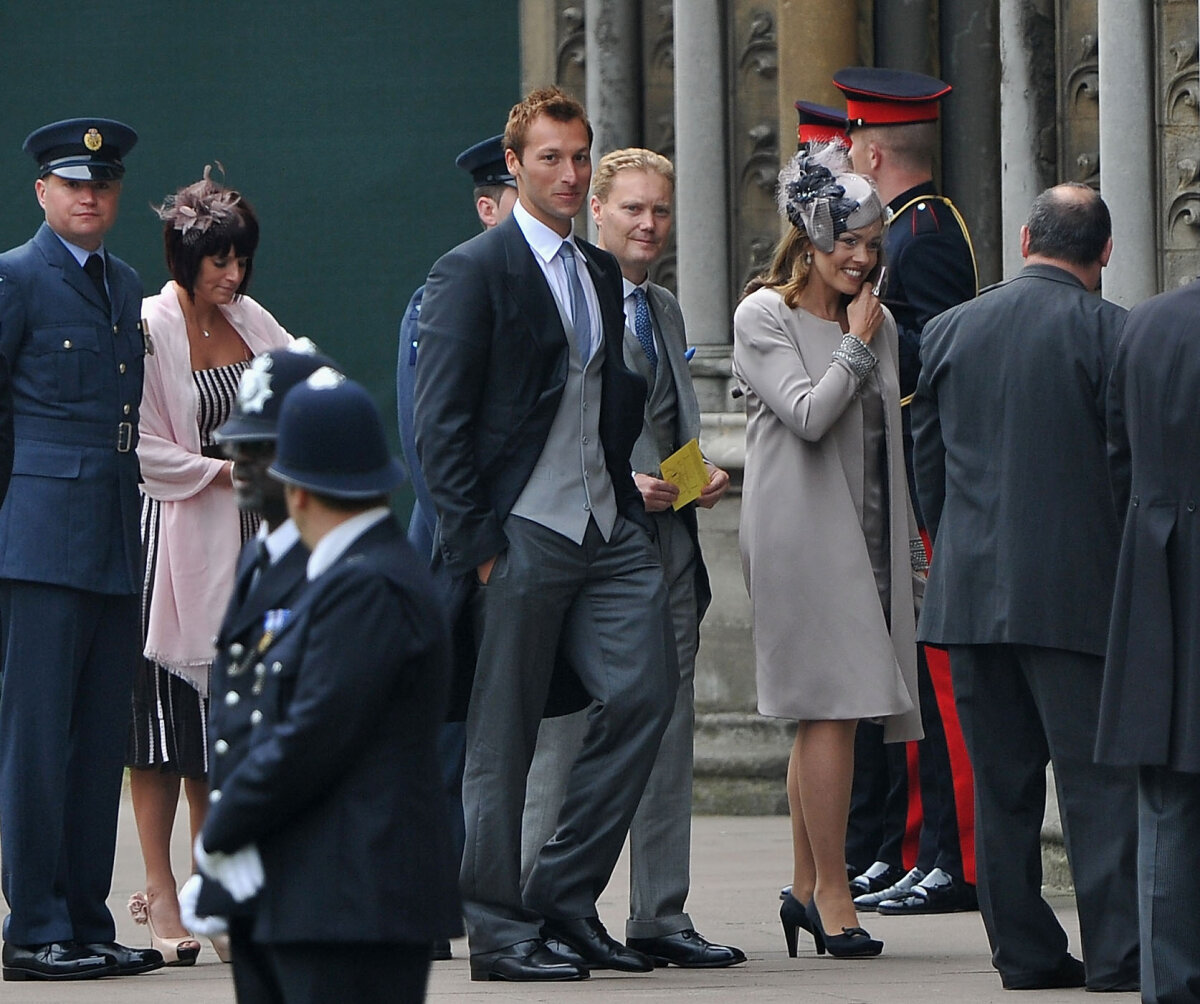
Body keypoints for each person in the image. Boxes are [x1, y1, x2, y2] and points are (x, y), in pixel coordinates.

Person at [414, 86, 676, 982]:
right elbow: (437, 424)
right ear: (516, 164)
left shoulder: (599, 270)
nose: (569, 174)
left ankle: (561, 895)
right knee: (503, 737)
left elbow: (605, 398)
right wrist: (478, 543)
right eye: (552, 159)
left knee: (644, 691)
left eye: (579, 157)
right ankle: (496, 927)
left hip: (607, 526)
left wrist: (629, 499)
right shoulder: (473, 270)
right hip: (520, 532)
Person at [911, 183, 1139, 991]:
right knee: (1098, 787)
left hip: (970, 595)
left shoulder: (947, 330)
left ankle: (1025, 955)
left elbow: (926, 466)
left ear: (1022, 238)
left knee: (1001, 790)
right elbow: (1126, 472)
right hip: (1079, 596)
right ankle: (1119, 955)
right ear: (1105, 253)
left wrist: (964, 548)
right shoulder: (1113, 334)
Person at [521, 148, 742, 969]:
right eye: (633, 211)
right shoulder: (567, 301)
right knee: (569, 733)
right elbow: (553, 432)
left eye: (660, 212)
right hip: (589, 553)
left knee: (670, 732)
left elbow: (663, 429)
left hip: (670, 553)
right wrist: (624, 482)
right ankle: (536, 910)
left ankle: (661, 914)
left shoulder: (668, 311)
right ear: (598, 212)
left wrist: (699, 477)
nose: (648, 225)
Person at [195, 370, 461, 1003]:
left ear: (300, 489)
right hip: (314, 885)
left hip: (351, 895)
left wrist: (221, 830)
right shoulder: (348, 573)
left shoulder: (367, 583)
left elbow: (316, 729)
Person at [732, 146, 922, 960]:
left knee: (830, 711)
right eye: (847, 241)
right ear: (809, 239)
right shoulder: (762, 317)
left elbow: (889, 444)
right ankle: (835, 895)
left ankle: (805, 888)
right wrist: (853, 343)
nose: (862, 257)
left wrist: (909, 545)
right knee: (833, 707)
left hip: (867, 532)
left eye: (873, 244)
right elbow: (809, 416)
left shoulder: (874, 320)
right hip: (799, 536)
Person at [0, 118, 163, 981]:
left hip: (109, 536)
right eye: (72, 183)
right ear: (42, 193)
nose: (88, 194)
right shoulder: (15, 279)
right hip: (36, 540)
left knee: (100, 740)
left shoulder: (123, 282)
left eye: (101, 184)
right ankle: (33, 928)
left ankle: (85, 917)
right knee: (36, 743)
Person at [126, 169, 293, 965]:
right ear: (185, 257)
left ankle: (211, 888)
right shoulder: (152, 327)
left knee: (225, 731)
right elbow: (145, 448)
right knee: (162, 732)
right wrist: (226, 473)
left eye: (241, 261)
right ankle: (158, 890)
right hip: (177, 547)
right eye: (219, 262)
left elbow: (302, 391)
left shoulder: (253, 319)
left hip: (254, 540)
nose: (232, 276)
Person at [832, 66, 978, 915]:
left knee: (941, 677)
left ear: (875, 150)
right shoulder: (911, 230)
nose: (849, 153)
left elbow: (931, 365)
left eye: (853, 142)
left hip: (928, 474)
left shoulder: (921, 238)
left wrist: (872, 326)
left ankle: (952, 856)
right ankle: (926, 848)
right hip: (910, 471)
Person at [1096, 277, 1200, 1003]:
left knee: (1165, 792)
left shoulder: (1145, 325)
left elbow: (1117, 451)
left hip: (1161, 570)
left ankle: (1168, 983)